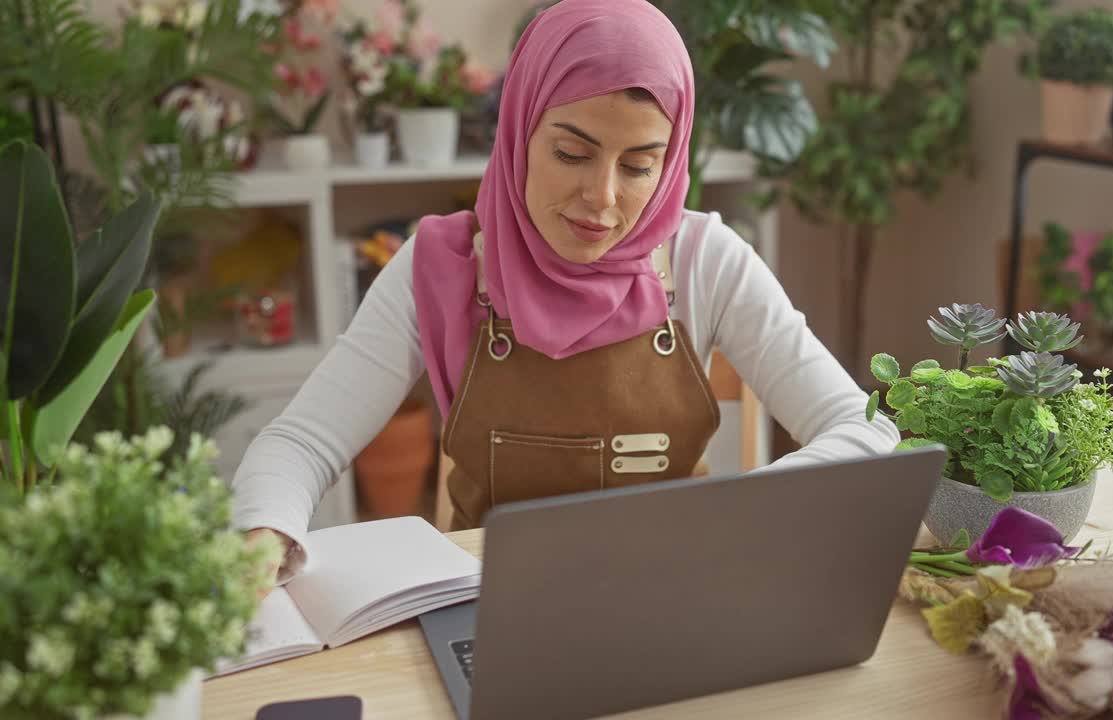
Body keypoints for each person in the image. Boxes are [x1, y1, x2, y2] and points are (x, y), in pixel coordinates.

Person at [233, 0, 899, 590]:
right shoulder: (443, 266)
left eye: (640, 166)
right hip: (484, 606)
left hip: (673, 594)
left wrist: (736, 515)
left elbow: (864, 428)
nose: (602, 199)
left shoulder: (706, 262)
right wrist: (263, 534)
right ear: (520, 131)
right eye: (572, 154)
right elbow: (300, 442)